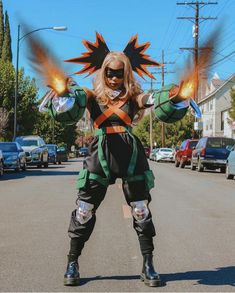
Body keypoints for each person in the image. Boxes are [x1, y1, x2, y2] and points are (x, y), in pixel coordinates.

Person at [39, 33, 194, 287]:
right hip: (99, 153)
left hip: (129, 154)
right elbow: (75, 99)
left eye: (118, 73)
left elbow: (150, 99)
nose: (113, 78)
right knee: (84, 210)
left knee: (141, 209)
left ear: (126, 73)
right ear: (103, 72)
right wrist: (64, 91)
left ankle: (148, 263)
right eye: (109, 72)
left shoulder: (133, 97)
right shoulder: (91, 96)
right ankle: (72, 261)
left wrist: (175, 96)